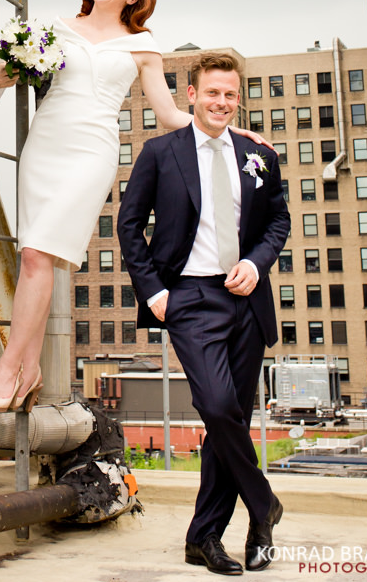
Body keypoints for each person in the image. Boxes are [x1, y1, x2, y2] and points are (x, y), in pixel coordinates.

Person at [0, 0, 271, 415]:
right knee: (36, 257)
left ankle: (8, 369)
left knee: (38, 255)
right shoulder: (54, 26)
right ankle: (29, 367)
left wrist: (233, 131)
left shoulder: (143, 45)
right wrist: (17, 58)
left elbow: (172, 115)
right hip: (46, 145)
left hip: (91, 152)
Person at [118, 52, 290, 575]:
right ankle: (264, 504)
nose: (221, 102)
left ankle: (207, 538)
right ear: (191, 95)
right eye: (212, 93)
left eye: (230, 95)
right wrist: (153, 292)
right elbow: (129, 226)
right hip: (188, 299)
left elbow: (277, 220)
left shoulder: (256, 154)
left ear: (238, 99)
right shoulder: (160, 153)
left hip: (245, 298)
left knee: (229, 423)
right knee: (216, 407)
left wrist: (257, 265)